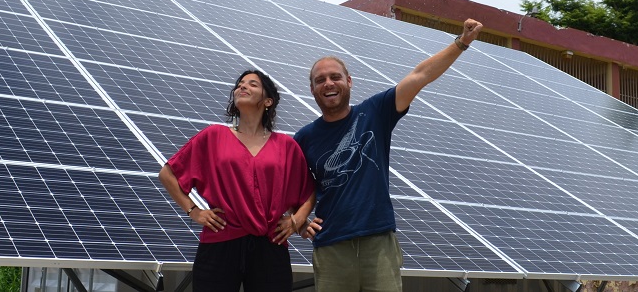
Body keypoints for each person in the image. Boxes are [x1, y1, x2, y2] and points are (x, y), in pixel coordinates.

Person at [296, 18, 483, 292]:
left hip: (378, 243)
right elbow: (292, 188)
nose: (328, 83)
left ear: (348, 81)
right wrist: (299, 223)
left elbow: (420, 76)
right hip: (331, 245)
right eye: (319, 80)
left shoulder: (375, 111)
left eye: (335, 77)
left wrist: (462, 42)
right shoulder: (304, 138)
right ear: (312, 89)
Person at [159, 69, 315, 292]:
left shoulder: (286, 146)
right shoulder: (213, 136)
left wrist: (296, 220)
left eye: (252, 84)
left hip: (270, 245)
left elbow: (308, 191)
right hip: (220, 242)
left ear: (268, 100)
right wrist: (194, 211)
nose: (242, 87)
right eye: (240, 84)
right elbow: (168, 174)